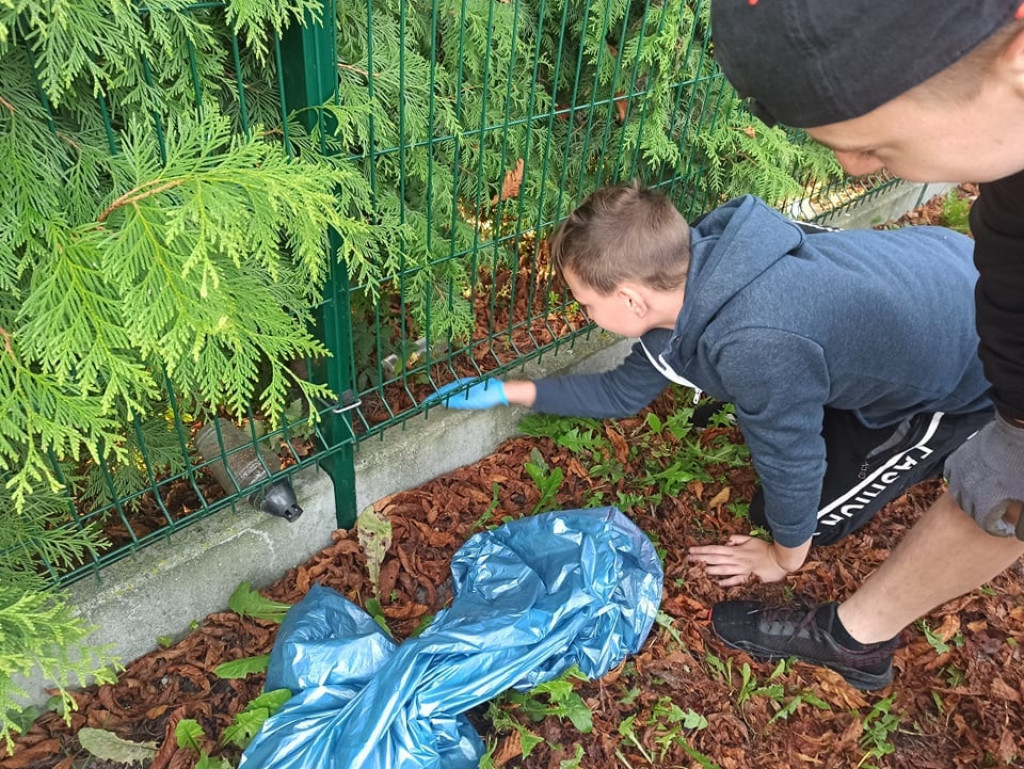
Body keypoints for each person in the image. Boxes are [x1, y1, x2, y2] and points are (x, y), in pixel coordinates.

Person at [436, 182, 991, 664]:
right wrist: (509, 390)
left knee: (806, 518)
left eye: (584, 303)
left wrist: (782, 556)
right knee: (782, 469)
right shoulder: (708, 256)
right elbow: (623, 389)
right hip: (945, 263)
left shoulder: (756, 347)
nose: (584, 314)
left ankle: (946, 440)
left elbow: (790, 458)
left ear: (630, 299)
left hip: (971, 361)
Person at [703, 0, 1024, 690]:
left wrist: (789, 551)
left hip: (954, 376)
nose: (851, 171)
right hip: (969, 334)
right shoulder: (1007, 169)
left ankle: (857, 636)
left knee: (1004, 475)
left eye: (875, 145)